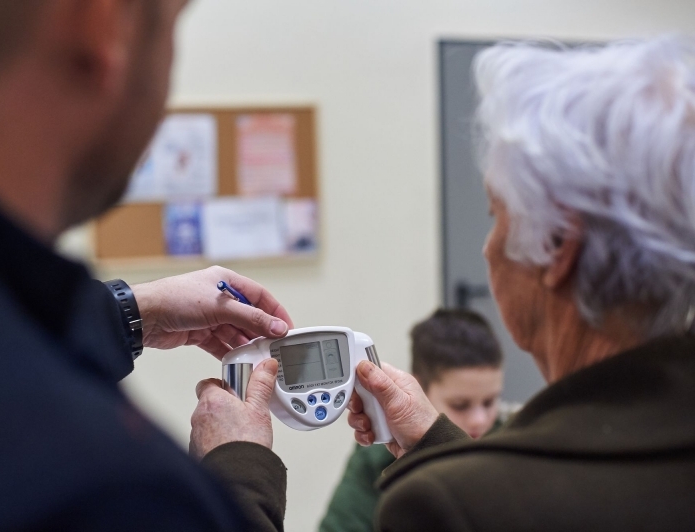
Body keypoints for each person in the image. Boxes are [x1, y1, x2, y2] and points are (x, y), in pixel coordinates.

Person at [191, 36, 695, 531]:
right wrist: (436, 444)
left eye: (497, 217)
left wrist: (237, 472)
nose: (488, 248)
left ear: (559, 245)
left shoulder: (447, 506)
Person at [0, 1, 293, 529]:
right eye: (171, 24)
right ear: (103, 26)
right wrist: (240, 473)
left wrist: (131, 312)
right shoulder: (107, 488)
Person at [319, 309, 505, 532]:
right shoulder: (376, 457)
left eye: (489, 402)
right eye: (460, 405)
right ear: (417, 389)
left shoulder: (512, 447)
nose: (479, 420)